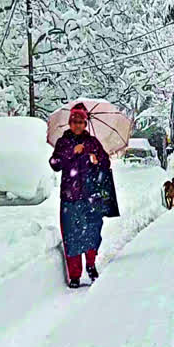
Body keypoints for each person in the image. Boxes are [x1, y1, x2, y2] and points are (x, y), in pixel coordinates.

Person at [48, 103, 111, 288]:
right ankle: (74, 275)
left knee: (92, 231)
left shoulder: (92, 143)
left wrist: (97, 160)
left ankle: (91, 266)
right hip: (70, 197)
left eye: (81, 122)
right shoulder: (63, 142)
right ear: (69, 123)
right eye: (74, 121)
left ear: (85, 123)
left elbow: (106, 163)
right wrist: (71, 153)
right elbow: (54, 163)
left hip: (91, 196)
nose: (77, 125)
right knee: (71, 236)